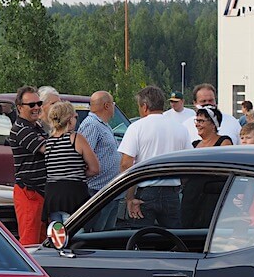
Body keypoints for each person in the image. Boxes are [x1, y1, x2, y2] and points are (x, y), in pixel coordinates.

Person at [119, 86, 191, 227]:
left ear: (145, 106)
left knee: (141, 239)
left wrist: (129, 198)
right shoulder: (180, 128)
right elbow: (188, 162)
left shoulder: (137, 127)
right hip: (172, 192)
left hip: (146, 192)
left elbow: (126, 165)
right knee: (174, 240)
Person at [43, 100, 99, 222]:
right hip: (74, 194)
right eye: (75, 116)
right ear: (69, 119)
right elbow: (95, 169)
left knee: (57, 236)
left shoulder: (48, 142)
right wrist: (79, 173)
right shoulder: (76, 139)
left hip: (53, 196)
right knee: (75, 234)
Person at [5, 85, 48, 244]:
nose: (36, 107)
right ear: (19, 108)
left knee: (44, 241)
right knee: (30, 243)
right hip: (29, 193)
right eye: (31, 105)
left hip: (41, 192)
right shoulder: (21, 129)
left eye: (39, 103)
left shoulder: (37, 127)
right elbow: (48, 149)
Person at [77, 91, 121, 231]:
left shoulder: (103, 124)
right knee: (97, 233)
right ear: (107, 106)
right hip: (97, 190)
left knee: (107, 235)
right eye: (113, 104)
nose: (114, 107)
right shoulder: (92, 125)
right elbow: (83, 156)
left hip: (109, 189)